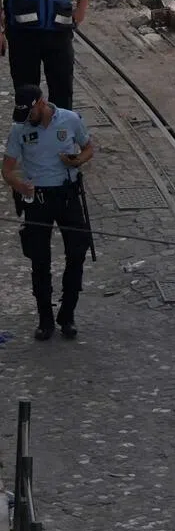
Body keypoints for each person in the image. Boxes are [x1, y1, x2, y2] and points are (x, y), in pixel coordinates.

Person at [2, 84, 95, 340]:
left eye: (29, 112)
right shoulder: (19, 129)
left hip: (67, 194)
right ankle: (45, 318)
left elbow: (88, 148)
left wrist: (77, 160)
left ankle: (68, 314)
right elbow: (7, 168)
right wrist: (19, 185)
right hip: (38, 199)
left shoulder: (71, 119)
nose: (27, 119)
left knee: (77, 252)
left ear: (41, 103)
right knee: (39, 259)